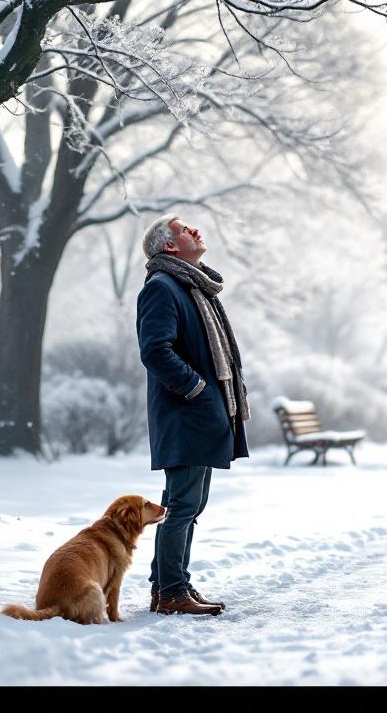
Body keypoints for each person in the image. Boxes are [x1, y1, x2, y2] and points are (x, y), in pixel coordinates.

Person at [137, 213, 250, 617]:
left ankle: (169, 586)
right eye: (185, 229)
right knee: (183, 505)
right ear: (170, 245)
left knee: (186, 505)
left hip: (200, 415)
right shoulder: (163, 287)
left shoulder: (193, 287)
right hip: (186, 414)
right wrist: (198, 390)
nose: (195, 230)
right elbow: (155, 351)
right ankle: (170, 592)